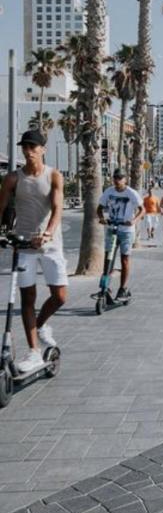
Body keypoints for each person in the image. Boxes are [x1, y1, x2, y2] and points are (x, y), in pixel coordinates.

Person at [0, 130, 67, 374]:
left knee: (60, 297)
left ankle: (39, 327)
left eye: (32, 147)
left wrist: (48, 233)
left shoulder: (54, 176)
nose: (28, 151)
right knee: (27, 299)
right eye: (24, 147)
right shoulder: (12, 179)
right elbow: (2, 207)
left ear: (42, 150)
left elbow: (58, 208)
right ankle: (34, 351)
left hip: (51, 245)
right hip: (24, 246)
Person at [98, 169, 144, 299]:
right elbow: (99, 208)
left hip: (126, 231)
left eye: (120, 178)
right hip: (112, 230)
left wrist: (134, 220)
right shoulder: (109, 191)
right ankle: (104, 288)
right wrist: (101, 218)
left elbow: (142, 210)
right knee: (108, 259)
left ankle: (122, 288)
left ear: (125, 179)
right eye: (115, 178)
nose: (117, 180)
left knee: (124, 260)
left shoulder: (131, 193)